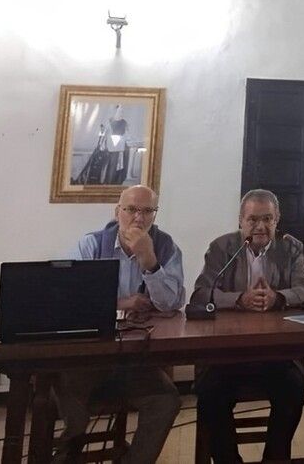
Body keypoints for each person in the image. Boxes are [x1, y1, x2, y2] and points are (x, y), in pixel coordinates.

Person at [53, 185, 185, 463]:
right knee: (67, 392)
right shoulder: (91, 244)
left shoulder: (165, 246)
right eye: (132, 210)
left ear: (154, 215)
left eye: (147, 211)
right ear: (118, 212)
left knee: (166, 400)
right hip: (89, 357)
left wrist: (149, 262)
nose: (139, 218)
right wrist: (122, 303)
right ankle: (67, 454)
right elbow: (70, 299)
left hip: (136, 358)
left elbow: (171, 303)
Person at [189, 189, 304, 463]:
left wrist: (278, 297)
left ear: (277, 219)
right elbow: (201, 294)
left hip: (275, 352)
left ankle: (275, 458)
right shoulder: (221, 247)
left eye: (267, 219)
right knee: (210, 392)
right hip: (228, 353)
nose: (260, 226)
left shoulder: (290, 247)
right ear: (240, 221)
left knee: (293, 388)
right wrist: (239, 299)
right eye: (253, 219)